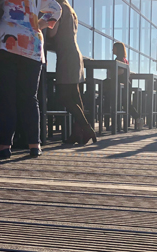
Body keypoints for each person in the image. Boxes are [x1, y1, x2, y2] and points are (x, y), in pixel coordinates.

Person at [0, 0, 61, 158]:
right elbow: (57, 9)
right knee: (29, 97)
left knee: (5, 97)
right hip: (31, 43)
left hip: (2, 41)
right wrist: (38, 24)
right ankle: (34, 145)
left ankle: (4, 145)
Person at [47, 0, 96, 145]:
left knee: (63, 97)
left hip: (67, 56)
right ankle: (77, 133)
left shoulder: (58, 8)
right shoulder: (70, 9)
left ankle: (86, 128)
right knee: (75, 97)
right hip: (75, 54)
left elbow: (51, 32)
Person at [103, 42, 140, 131]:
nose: (112, 50)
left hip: (121, 86)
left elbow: (120, 72)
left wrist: (111, 72)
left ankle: (113, 122)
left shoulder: (120, 60)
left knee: (117, 102)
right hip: (125, 86)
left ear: (118, 49)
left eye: (114, 48)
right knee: (125, 104)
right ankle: (137, 118)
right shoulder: (123, 59)